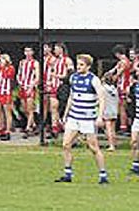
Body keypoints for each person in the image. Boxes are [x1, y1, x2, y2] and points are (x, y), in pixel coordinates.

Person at [55, 53, 108, 184]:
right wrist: (65, 115)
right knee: (66, 144)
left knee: (94, 148)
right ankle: (68, 173)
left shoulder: (93, 79)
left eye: (81, 65)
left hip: (87, 119)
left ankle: (103, 175)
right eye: (77, 64)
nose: (78, 67)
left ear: (88, 66)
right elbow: (71, 97)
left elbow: (102, 98)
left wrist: (100, 116)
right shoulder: (73, 77)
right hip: (74, 117)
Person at [45, 43, 73, 136]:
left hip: (63, 86)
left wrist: (59, 76)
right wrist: (49, 81)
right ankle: (54, 127)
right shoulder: (54, 60)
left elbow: (70, 75)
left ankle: (63, 125)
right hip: (54, 85)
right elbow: (51, 72)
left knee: (62, 107)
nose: (55, 51)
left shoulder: (67, 60)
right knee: (53, 107)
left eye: (56, 49)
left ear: (61, 49)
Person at [17, 45, 40, 136]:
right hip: (22, 87)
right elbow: (18, 74)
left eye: (29, 51)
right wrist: (20, 83)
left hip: (30, 88)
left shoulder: (35, 63)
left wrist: (31, 87)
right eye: (26, 51)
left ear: (32, 52)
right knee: (24, 108)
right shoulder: (22, 62)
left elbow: (37, 77)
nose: (27, 53)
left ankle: (28, 128)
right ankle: (33, 125)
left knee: (30, 108)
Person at [111, 44, 132, 132]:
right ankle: (123, 125)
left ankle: (124, 126)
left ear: (117, 53)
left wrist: (113, 78)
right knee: (121, 106)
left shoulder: (124, 62)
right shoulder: (123, 61)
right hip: (122, 85)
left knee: (122, 107)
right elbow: (114, 69)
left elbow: (118, 73)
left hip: (124, 85)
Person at [101, 71, 118, 151]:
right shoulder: (114, 89)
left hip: (107, 109)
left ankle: (111, 145)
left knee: (108, 129)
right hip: (114, 110)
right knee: (113, 129)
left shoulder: (103, 89)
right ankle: (114, 143)